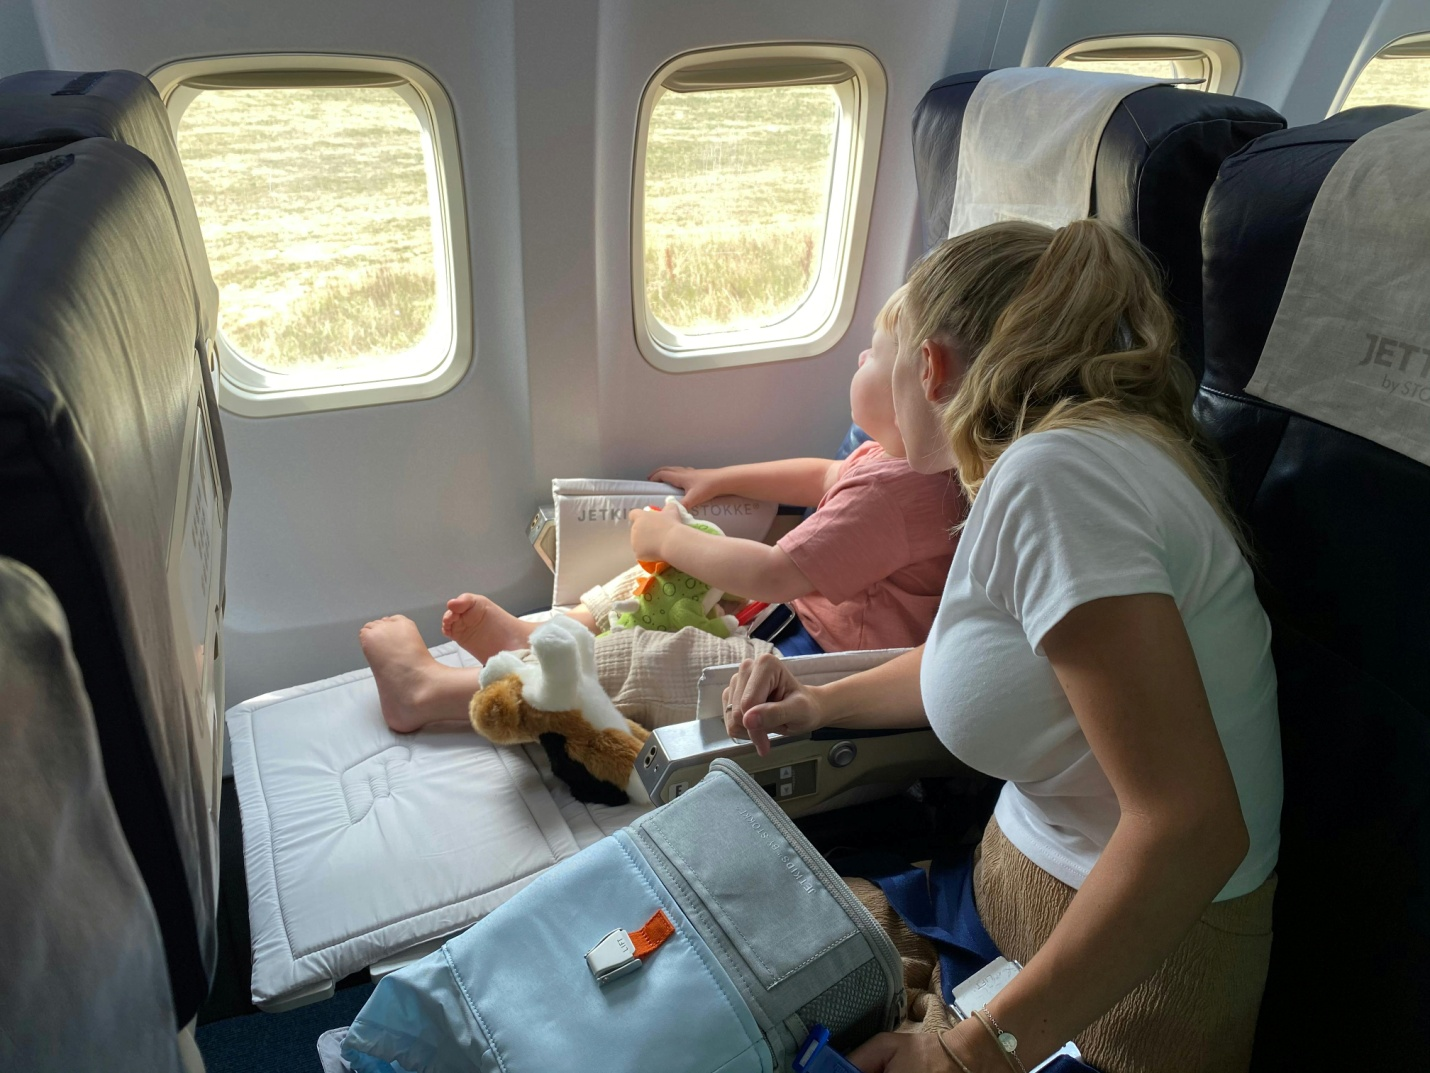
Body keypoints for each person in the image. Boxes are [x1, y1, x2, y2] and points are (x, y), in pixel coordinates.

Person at [721, 220, 1282, 1073]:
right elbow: (986, 666)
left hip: (1134, 983)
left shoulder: (1059, 479)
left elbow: (1194, 830)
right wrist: (818, 702)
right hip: (1010, 905)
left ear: (932, 365)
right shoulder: (1054, 464)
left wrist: (970, 1055)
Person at [359, 285, 965, 733]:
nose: (860, 360)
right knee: (651, 584)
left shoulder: (901, 492)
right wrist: (721, 478)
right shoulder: (894, 459)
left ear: (926, 375)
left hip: (820, 664)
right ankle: (537, 636)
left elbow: (774, 572)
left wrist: (667, 538)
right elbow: (827, 474)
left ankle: (429, 692)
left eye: (874, 353)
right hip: (789, 619)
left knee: (653, 659)